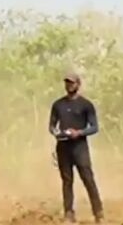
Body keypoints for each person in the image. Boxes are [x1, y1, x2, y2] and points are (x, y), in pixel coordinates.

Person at [48, 70, 103, 223]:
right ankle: (69, 213)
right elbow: (52, 126)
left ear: (78, 84)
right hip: (63, 147)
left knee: (88, 179)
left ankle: (98, 212)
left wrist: (79, 132)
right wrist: (57, 132)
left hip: (79, 147)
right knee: (67, 181)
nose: (69, 85)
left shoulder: (86, 105)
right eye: (67, 82)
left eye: (72, 82)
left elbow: (94, 127)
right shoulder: (58, 105)